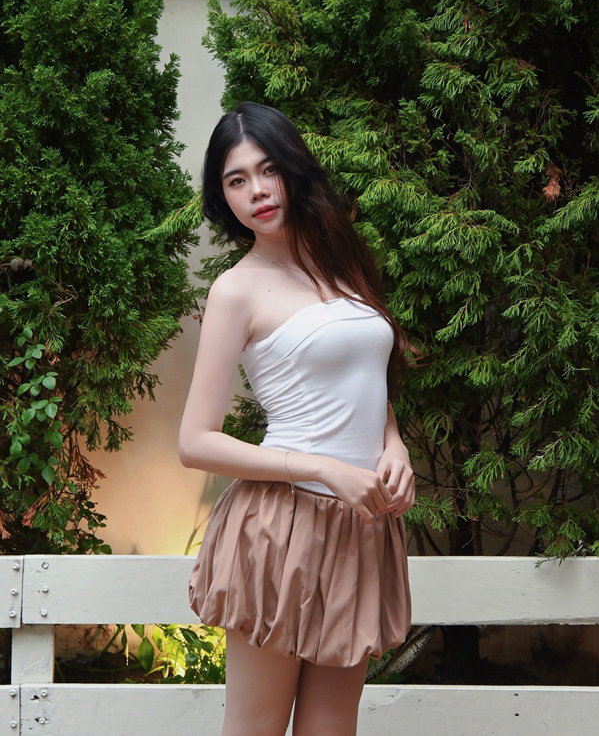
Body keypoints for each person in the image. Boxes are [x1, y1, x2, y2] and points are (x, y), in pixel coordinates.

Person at [179, 102, 415, 736]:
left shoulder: (344, 264)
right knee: (255, 727)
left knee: (332, 728)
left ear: (293, 169)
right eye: (236, 180)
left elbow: (366, 377)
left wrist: (394, 445)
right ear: (222, 197)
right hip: (280, 527)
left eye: (268, 170)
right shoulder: (235, 290)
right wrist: (324, 468)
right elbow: (194, 442)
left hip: (361, 524)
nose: (256, 191)